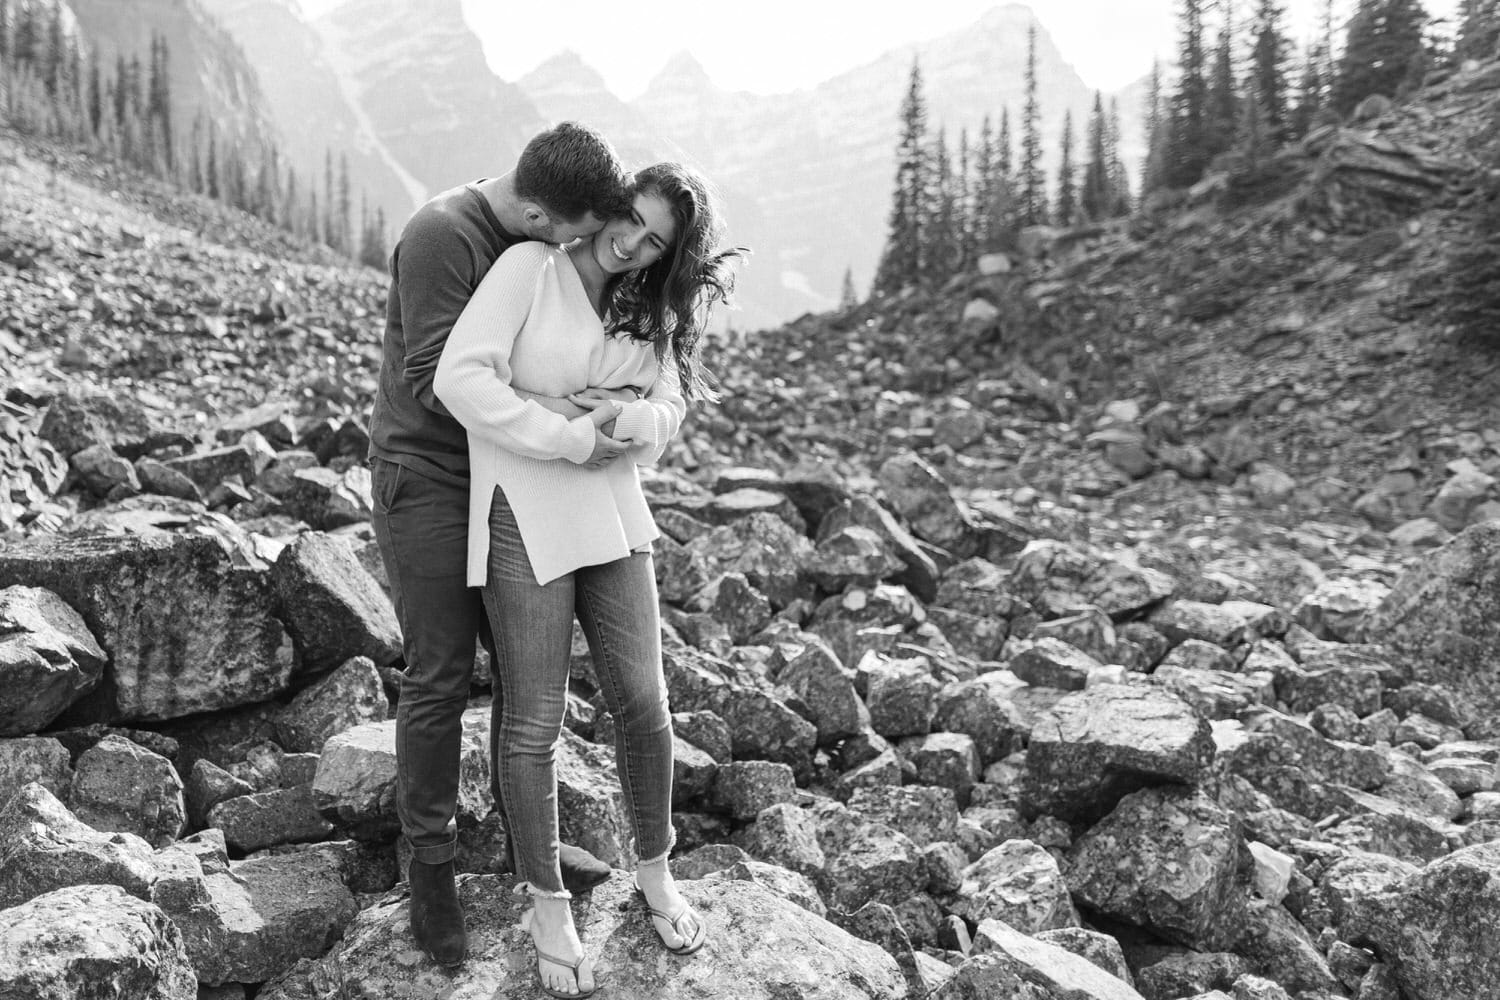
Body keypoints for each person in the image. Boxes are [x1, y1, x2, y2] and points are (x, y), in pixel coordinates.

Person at [434, 162, 744, 999]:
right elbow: (459, 379)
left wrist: (623, 418)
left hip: (612, 508)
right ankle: (547, 904)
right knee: (533, 719)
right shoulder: (528, 269)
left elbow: (670, 407)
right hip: (524, 502)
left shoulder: (648, 303)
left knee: (643, 703)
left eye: (656, 241)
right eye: (631, 221)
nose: (633, 243)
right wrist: (567, 431)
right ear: (612, 203)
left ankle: (653, 869)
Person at [367, 122, 633, 969]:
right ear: (532, 209)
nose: (577, 248)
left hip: (506, 475)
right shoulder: (445, 233)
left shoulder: (528, 231)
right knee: (442, 673)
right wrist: (560, 417)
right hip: (432, 479)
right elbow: (433, 379)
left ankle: (532, 860)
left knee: (524, 672)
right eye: (570, 231)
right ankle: (432, 872)